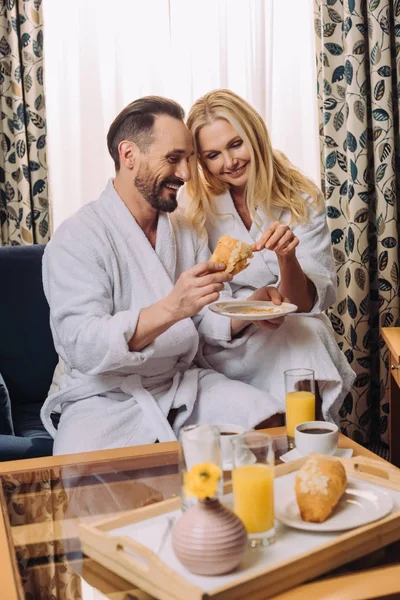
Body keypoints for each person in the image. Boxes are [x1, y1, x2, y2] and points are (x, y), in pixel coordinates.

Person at [40, 96, 283, 455]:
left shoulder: (185, 230)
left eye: (188, 159)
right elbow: (82, 346)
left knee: (269, 426)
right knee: (86, 491)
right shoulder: (77, 237)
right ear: (129, 156)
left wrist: (248, 310)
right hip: (105, 398)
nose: (186, 174)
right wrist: (171, 308)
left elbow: (203, 320)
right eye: (173, 159)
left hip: (183, 385)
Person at [180, 89, 355, 424]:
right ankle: (302, 441)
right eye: (213, 155)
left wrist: (287, 257)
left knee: (304, 332)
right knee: (302, 336)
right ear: (201, 161)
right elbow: (202, 308)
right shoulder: (194, 211)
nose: (229, 162)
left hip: (290, 328)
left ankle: (305, 440)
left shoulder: (300, 197)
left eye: (235, 144)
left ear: (255, 136)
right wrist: (250, 310)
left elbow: (302, 303)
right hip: (229, 342)